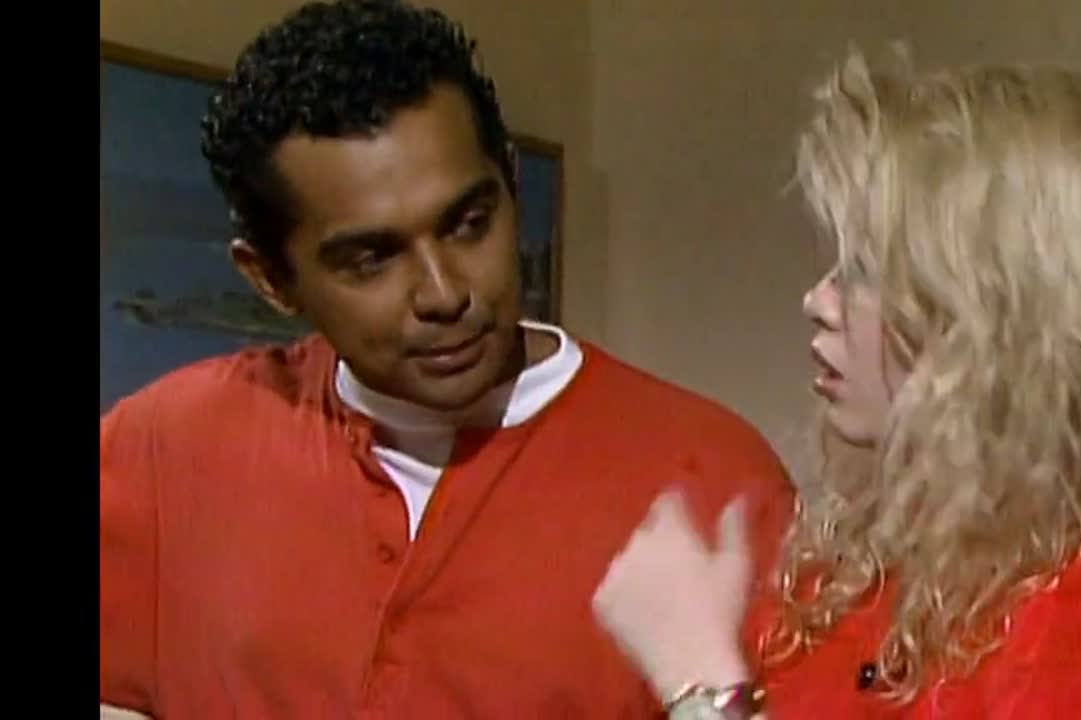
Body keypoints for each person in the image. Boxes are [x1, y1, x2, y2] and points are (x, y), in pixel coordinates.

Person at [98, 1, 794, 717]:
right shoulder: (167, 450)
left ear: (511, 182)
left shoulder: (712, 478)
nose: (444, 292)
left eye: (469, 224)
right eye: (371, 259)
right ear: (271, 279)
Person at [593, 47, 1081, 719]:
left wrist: (702, 684)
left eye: (865, 271)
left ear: (995, 316)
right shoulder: (845, 581)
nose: (818, 300)